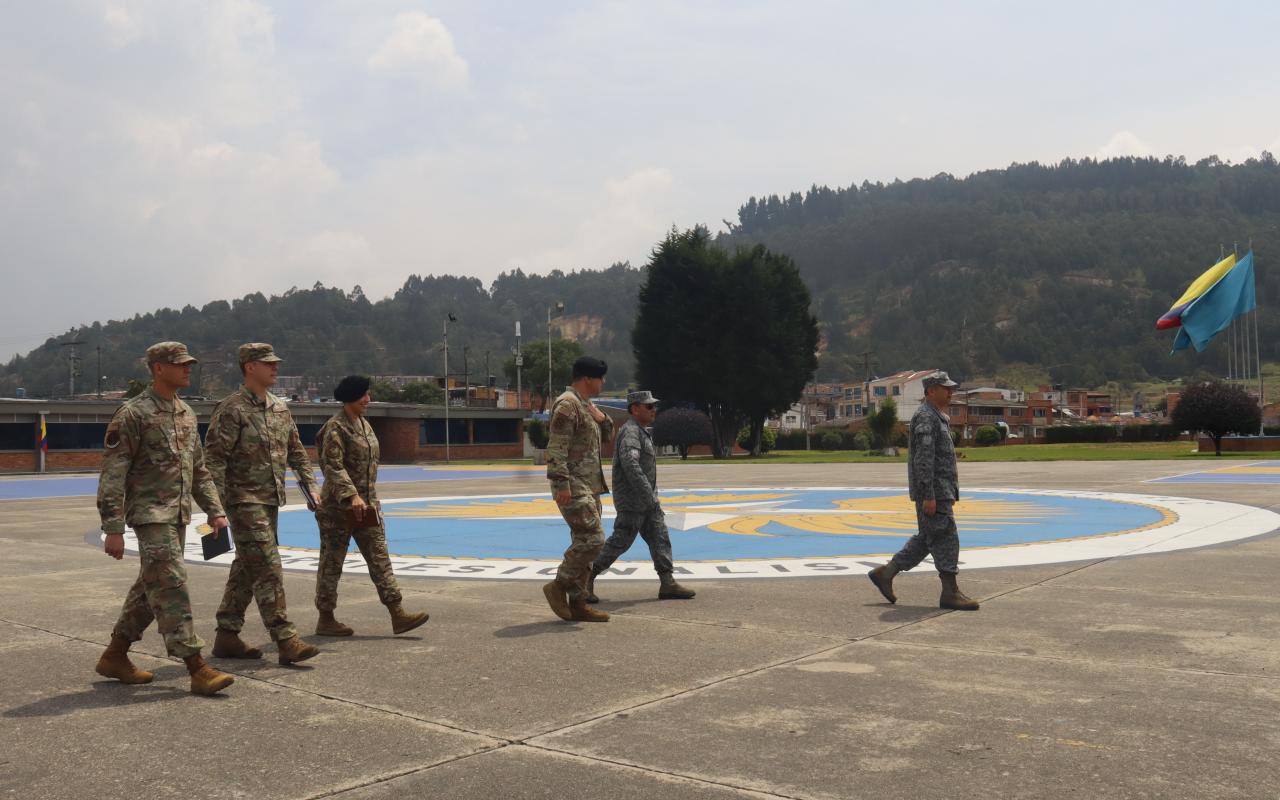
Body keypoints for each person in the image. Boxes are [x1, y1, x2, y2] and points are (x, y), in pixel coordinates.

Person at [95, 341, 236, 696]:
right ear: (158, 368)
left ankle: (115, 655)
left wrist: (215, 511)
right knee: (172, 583)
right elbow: (112, 474)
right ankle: (196, 666)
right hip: (149, 516)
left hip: (178, 516)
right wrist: (112, 528)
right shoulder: (133, 414)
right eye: (180, 364)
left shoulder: (186, 413)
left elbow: (199, 471)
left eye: (189, 363)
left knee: (150, 586)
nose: (188, 369)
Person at [203, 343, 321, 666]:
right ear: (249, 367)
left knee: (246, 566)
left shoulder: (281, 409)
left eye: (275, 362)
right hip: (241, 503)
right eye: (267, 363)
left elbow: (297, 452)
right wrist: (215, 509)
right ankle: (285, 638)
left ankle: (226, 634)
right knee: (268, 567)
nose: (275, 367)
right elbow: (213, 462)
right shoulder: (231, 410)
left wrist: (311, 488)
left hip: (270, 502)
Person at [313, 375, 429, 636]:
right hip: (338, 509)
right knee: (332, 563)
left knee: (379, 557)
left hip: (366, 507)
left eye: (368, 394)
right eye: (364, 395)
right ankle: (326, 617)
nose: (368, 399)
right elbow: (332, 466)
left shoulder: (364, 425)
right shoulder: (335, 428)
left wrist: (366, 500)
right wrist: (351, 495)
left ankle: (397, 613)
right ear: (351, 397)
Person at [868, 371, 979, 611]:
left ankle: (885, 574)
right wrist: (929, 494)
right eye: (945, 388)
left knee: (928, 538)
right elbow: (924, 459)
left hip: (940, 491)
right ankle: (950, 593)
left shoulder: (938, 417)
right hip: (934, 493)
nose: (951, 392)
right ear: (931, 391)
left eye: (951, 388)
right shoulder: (926, 417)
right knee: (947, 537)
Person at [587, 390, 695, 603]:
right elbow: (631, 465)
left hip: (647, 501)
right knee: (621, 541)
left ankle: (667, 583)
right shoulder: (630, 432)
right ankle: (586, 578)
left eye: (654, 406)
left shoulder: (641, 431)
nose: (654, 410)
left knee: (660, 537)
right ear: (635, 409)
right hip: (633, 502)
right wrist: (648, 495)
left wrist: (651, 498)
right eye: (649, 406)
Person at [542, 356, 614, 622]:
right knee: (594, 540)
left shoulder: (585, 405)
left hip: (590, 485)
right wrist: (561, 483)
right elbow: (556, 448)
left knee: (584, 543)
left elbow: (607, 437)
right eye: (601, 378)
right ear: (587, 379)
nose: (603, 382)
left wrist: (602, 418)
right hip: (572, 485)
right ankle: (558, 586)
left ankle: (579, 604)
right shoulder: (567, 405)